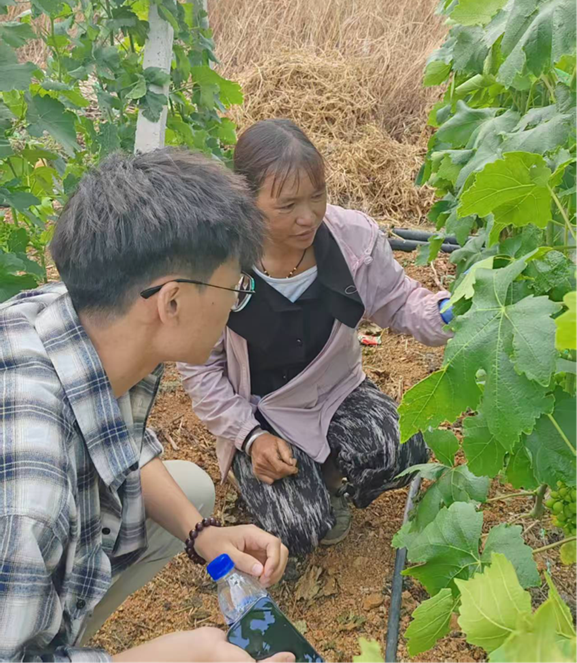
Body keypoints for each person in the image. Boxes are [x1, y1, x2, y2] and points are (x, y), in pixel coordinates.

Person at [0, 149, 293, 663]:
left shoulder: (76, 317)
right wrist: (178, 656)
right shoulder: (31, 499)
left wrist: (204, 536)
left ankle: (54, 628)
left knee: (192, 490)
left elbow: (114, 438)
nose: (234, 305)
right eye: (234, 288)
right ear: (171, 302)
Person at [178, 119, 453, 555]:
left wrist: (447, 312)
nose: (308, 217)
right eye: (287, 205)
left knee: (400, 451)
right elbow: (200, 369)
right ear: (246, 200)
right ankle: (265, 472)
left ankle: (327, 471)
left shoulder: (353, 240)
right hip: (262, 411)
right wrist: (250, 437)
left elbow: (398, 301)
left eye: (317, 196)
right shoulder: (215, 262)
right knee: (299, 530)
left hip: (336, 391)